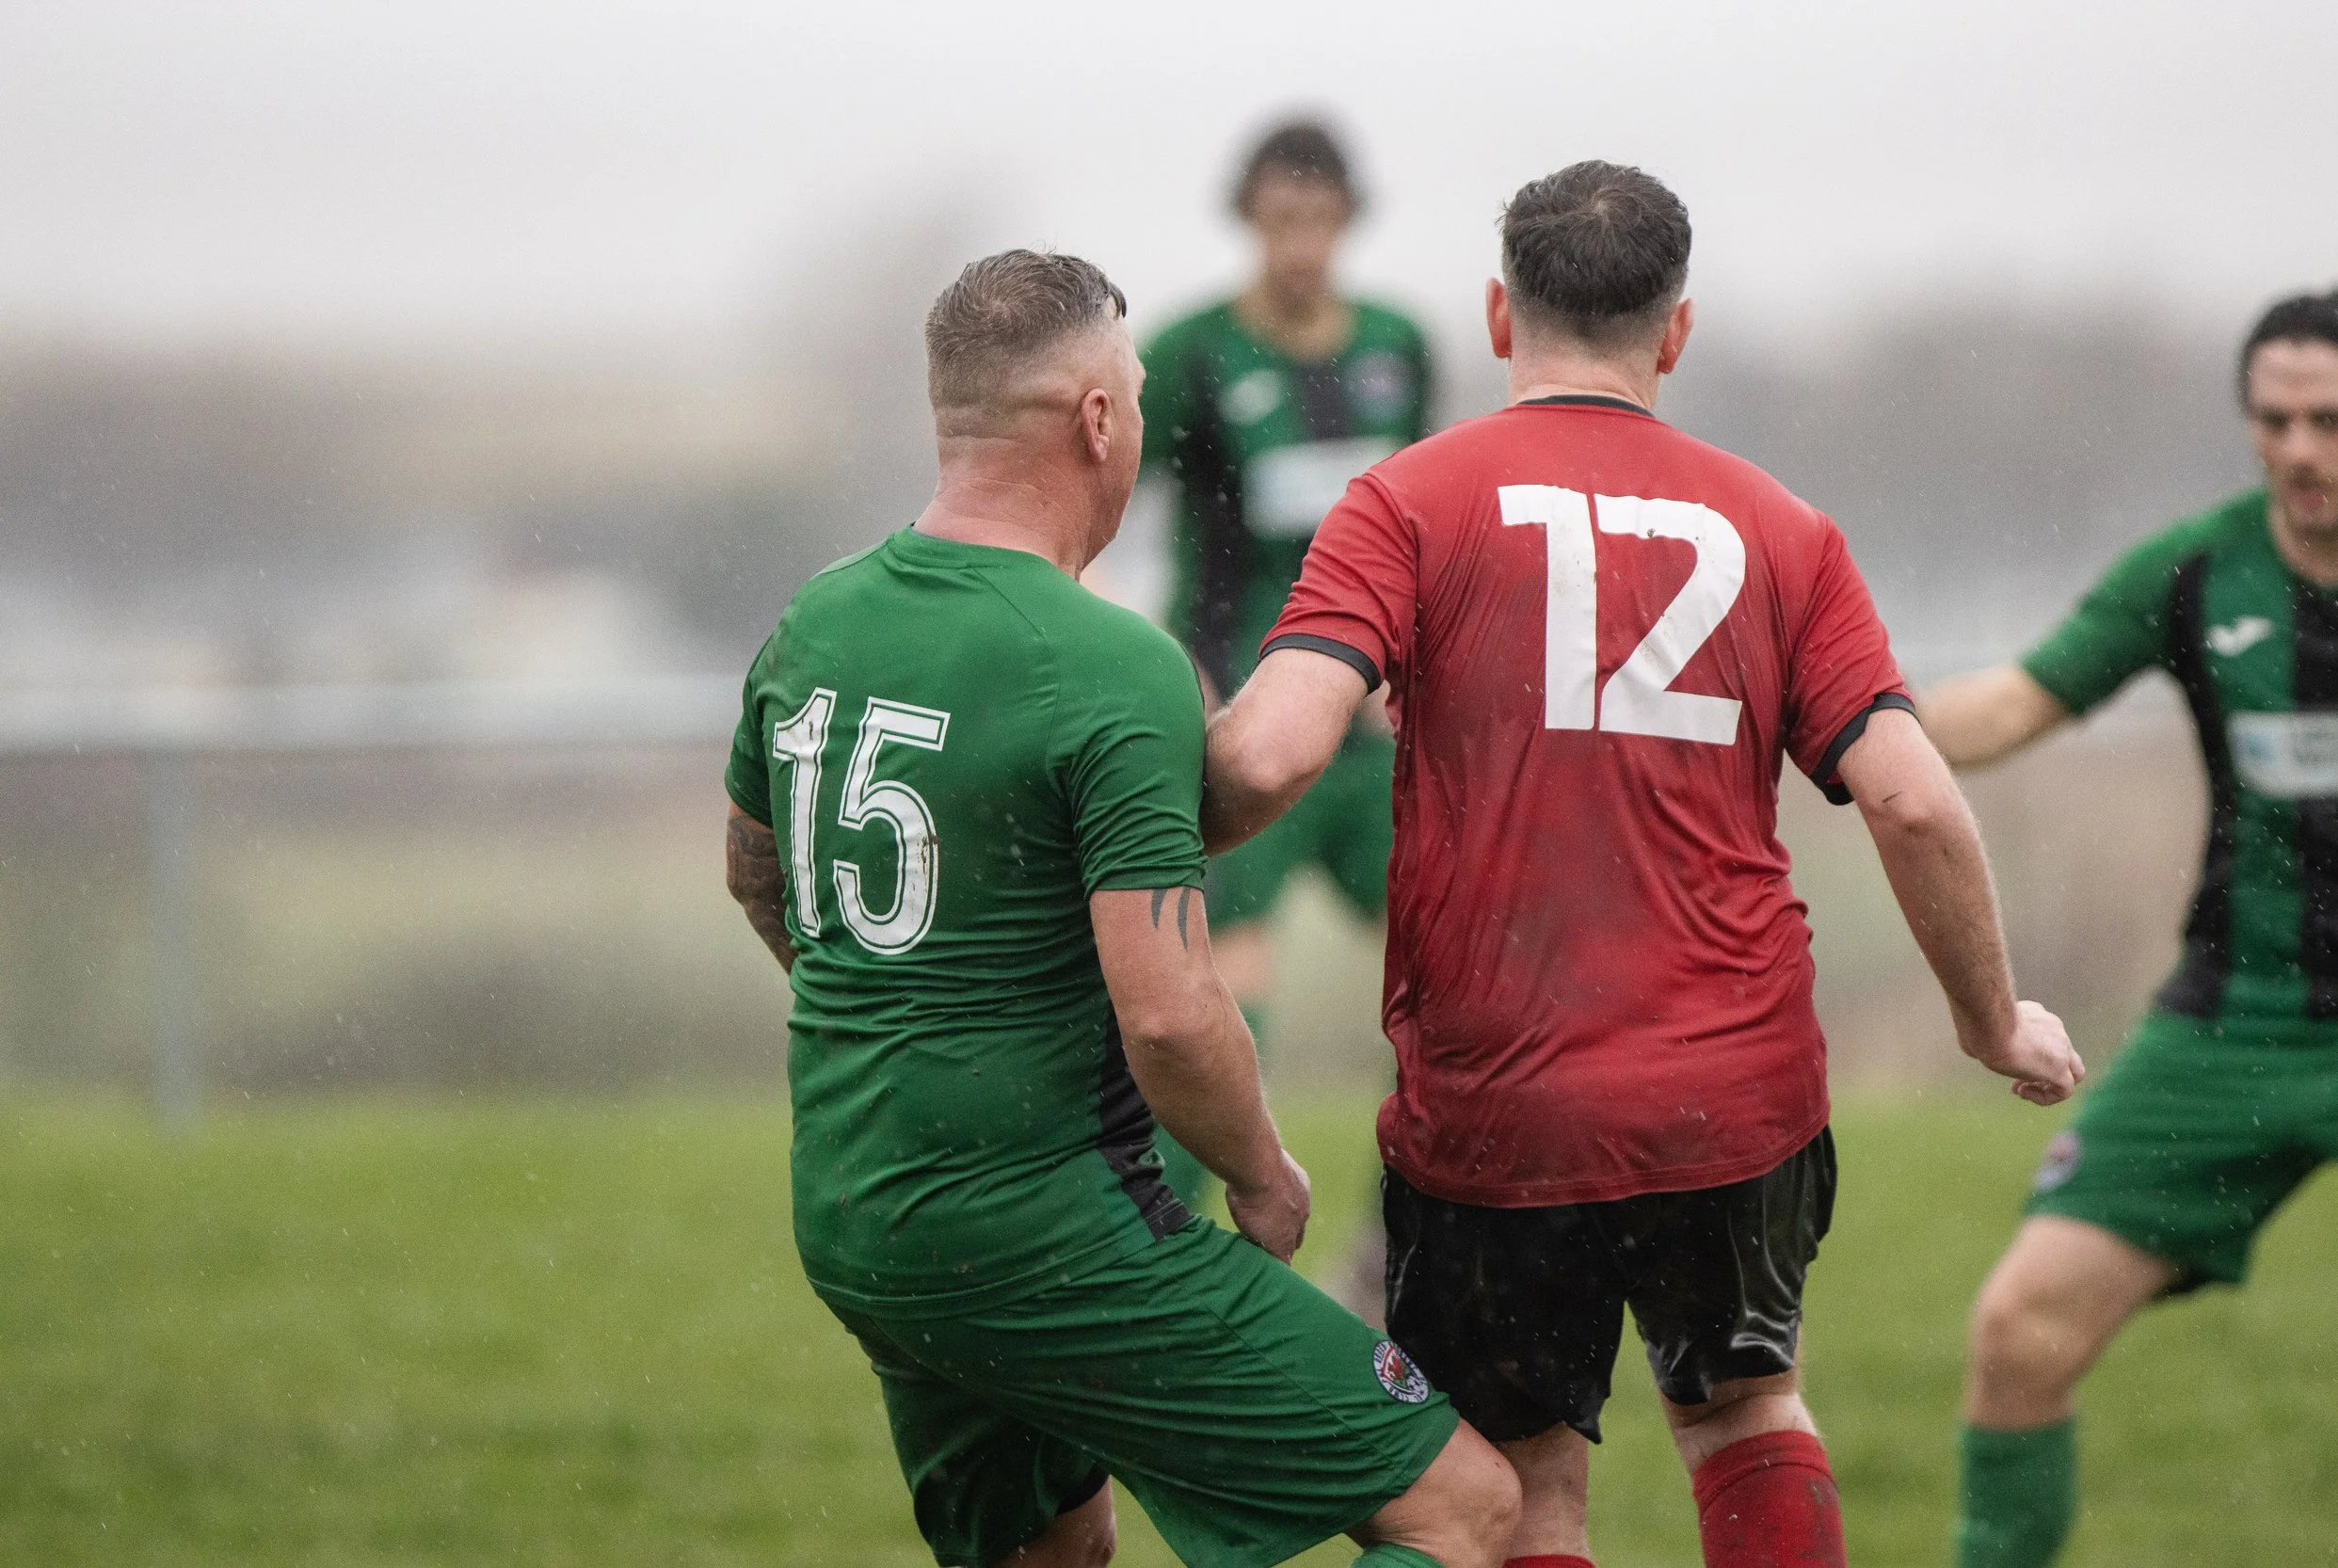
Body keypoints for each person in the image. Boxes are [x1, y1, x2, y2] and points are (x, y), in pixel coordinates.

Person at [1200, 163, 2084, 1568]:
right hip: (1733, 1094)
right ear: (1674, 332)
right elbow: (1916, 805)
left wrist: (1103, 840)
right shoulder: (1787, 529)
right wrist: (1992, 1019)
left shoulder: (1405, 504)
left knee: (1530, 1477)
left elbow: (1264, 760)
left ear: (1499, 315)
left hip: (1505, 1101)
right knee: (1744, 1410)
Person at [722, 248, 1517, 1568]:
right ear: (1099, 420)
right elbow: (1169, 1015)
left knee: (1052, 1549)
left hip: (857, 1210)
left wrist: (900, 1023)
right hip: (1041, 1231)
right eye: (1135, 393)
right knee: (1463, 1509)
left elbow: (760, 872)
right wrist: (1263, 1173)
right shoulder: (1110, 664)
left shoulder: (818, 619)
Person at [1918, 287, 2338, 1568]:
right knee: (2020, 1329)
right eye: (2274, 419)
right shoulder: (2201, 569)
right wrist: (1819, 712)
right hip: (2236, 1024)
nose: (2300, 448)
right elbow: (2010, 709)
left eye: (2332, 418)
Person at [1137, 120, 1434, 1201]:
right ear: (1248, 219)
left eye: (1319, 219)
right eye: (1280, 219)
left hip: (1364, 736)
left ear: (1348, 219)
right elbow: (1098, 493)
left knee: (1454, 988)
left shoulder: (1396, 344)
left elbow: (1423, 521)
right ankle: (1168, 1249)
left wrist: (1419, 659)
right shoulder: (1190, 354)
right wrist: (1165, 664)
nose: (1301, 244)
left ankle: (1420, 1239)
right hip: (1236, 721)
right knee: (1219, 994)